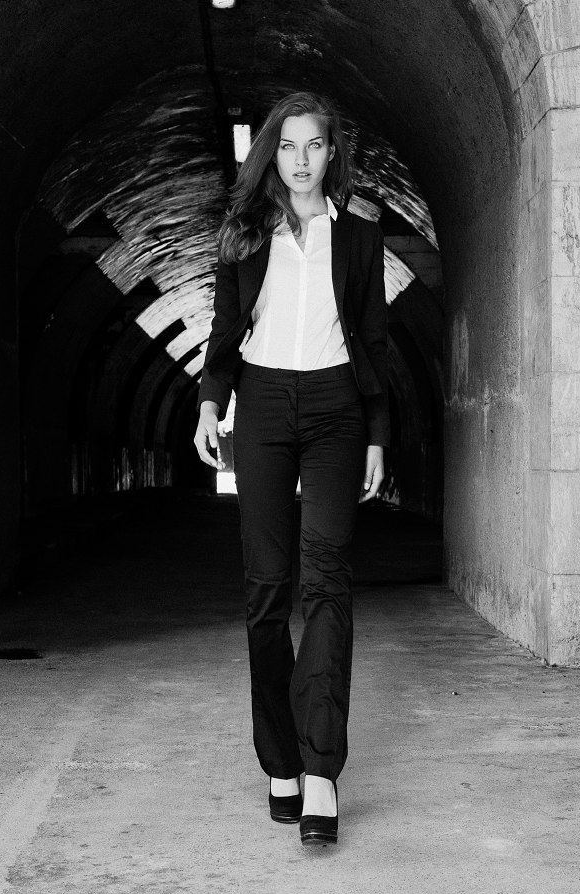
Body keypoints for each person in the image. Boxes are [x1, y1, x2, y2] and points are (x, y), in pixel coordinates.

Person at [194, 91, 389, 847]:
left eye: (314, 145)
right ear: (270, 153)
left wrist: (377, 434)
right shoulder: (245, 234)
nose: (301, 160)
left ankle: (321, 771)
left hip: (338, 407)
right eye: (288, 146)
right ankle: (279, 758)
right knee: (268, 588)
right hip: (265, 406)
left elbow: (373, 340)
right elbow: (223, 331)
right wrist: (210, 405)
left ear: (332, 152)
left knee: (327, 581)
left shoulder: (361, 237)